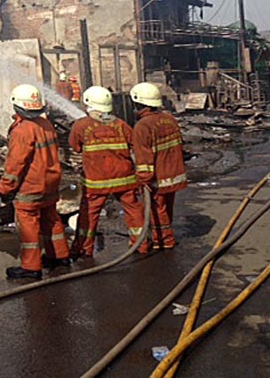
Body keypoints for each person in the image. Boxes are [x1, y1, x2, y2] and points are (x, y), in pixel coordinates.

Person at [0, 84, 70, 279]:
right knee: (51, 218)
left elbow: (15, 166)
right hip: (51, 181)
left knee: (28, 224)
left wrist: (5, 189)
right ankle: (60, 255)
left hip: (32, 185)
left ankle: (31, 267)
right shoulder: (45, 125)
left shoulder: (22, 131)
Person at [68, 86, 147, 258]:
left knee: (88, 215)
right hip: (125, 179)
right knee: (134, 211)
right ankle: (141, 244)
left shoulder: (81, 125)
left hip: (96, 182)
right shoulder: (121, 125)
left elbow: (75, 147)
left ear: (88, 103)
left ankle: (83, 248)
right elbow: (136, 146)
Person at [130, 82, 188, 249]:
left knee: (158, 210)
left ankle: (164, 240)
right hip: (175, 173)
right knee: (166, 207)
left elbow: (144, 159)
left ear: (139, 103)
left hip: (158, 176)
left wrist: (143, 181)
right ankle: (164, 235)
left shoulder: (142, 126)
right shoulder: (169, 119)